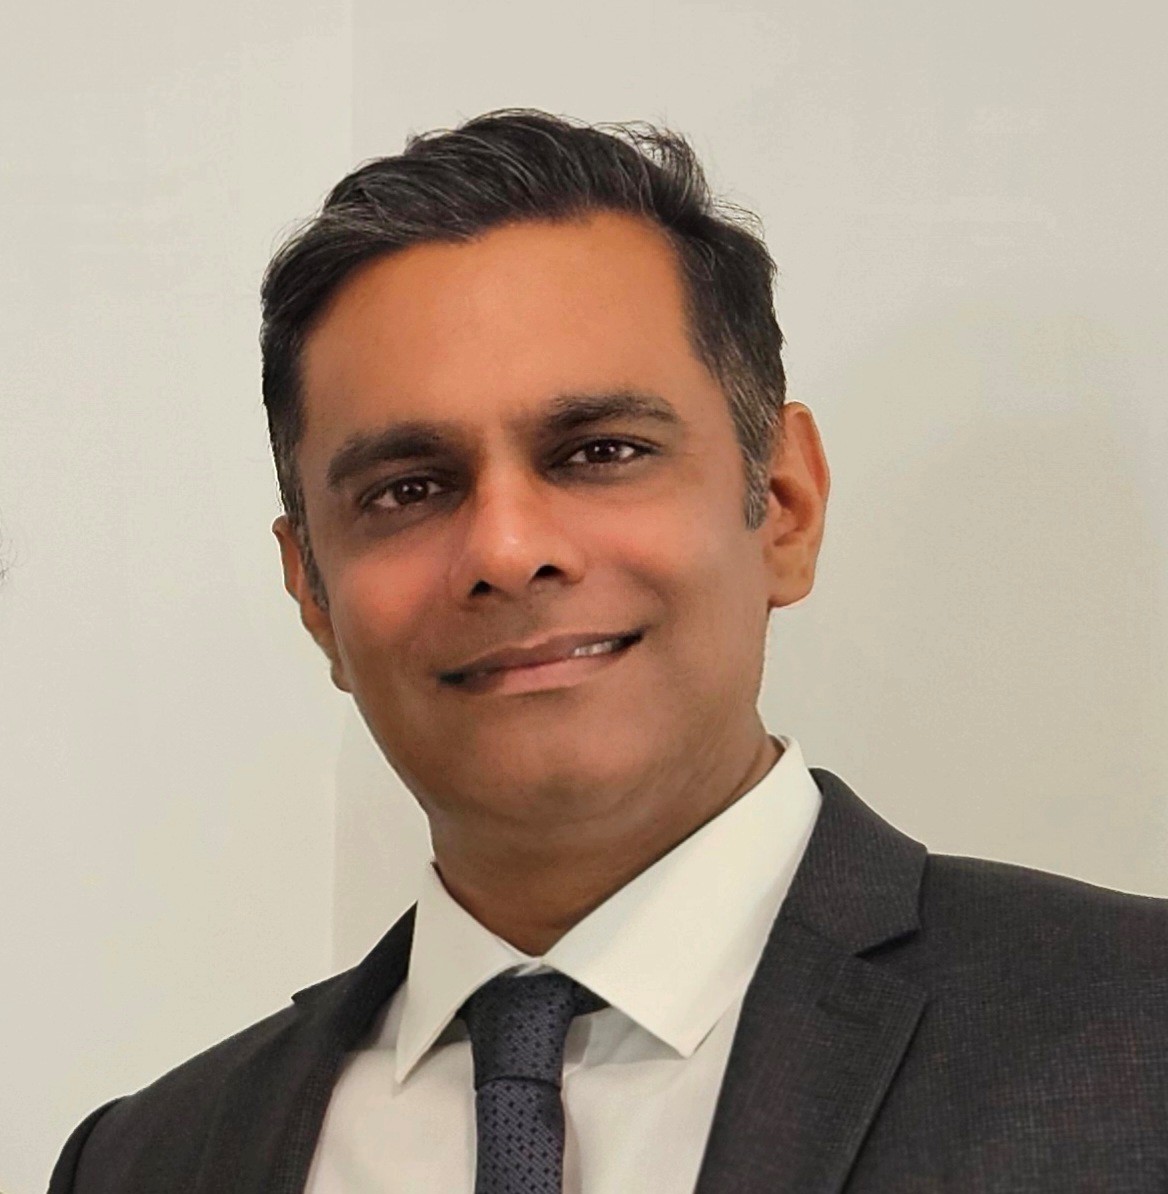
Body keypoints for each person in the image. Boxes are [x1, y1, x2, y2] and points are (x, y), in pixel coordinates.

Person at [50, 108, 1168, 1194]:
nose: (506, 548)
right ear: (312, 593)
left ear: (781, 505)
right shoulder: (147, 1161)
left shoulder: (1134, 1036)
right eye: (408, 489)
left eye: (599, 451)